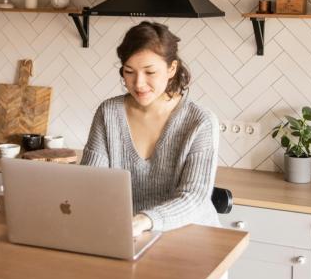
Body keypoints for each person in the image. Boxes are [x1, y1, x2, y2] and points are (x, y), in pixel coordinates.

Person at [81, 21, 220, 236]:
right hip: (126, 233)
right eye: (129, 72)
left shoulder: (199, 121)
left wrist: (144, 220)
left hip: (190, 236)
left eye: (150, 72)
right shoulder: (108, 113)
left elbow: (193, 197)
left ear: (171, 69)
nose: (138, 83)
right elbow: (91, 183)